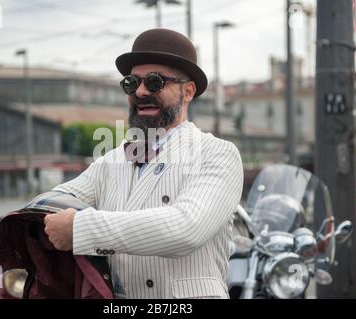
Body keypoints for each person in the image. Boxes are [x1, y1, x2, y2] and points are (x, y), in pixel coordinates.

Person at [44, 28, 244, 299]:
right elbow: (55, 202)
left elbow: (185, 228)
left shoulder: (217, 154)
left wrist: (80, 228)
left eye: (154, 82)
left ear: (187, 92)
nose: (139, 92)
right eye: (131, 83)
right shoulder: (111, 161)